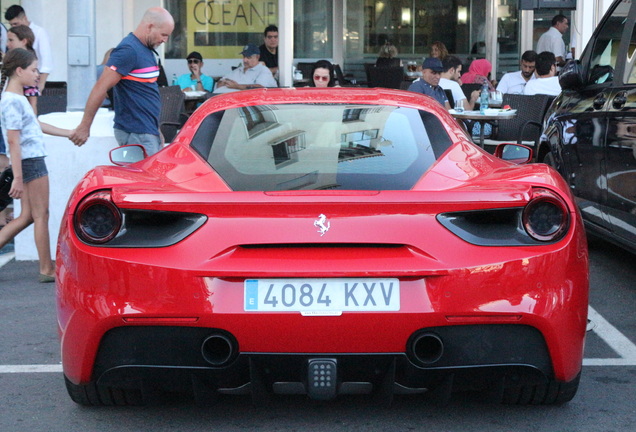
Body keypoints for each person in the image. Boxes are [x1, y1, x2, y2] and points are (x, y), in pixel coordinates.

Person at [0, 48, 74, 282]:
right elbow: (13, 140)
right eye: (33, 70)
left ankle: (46, 266)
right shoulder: (13, 101)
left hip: (29, 161)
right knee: (41, 214)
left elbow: (34, 126)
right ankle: (46, 268)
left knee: (28, 216)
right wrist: (19, 179)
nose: (37, 74)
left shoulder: (16, 98)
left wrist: (68, 133)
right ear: (19, 70)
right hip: (31, 162)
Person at [69, 7, 175, 156]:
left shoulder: (147, 49)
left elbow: (147, 93)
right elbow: (101, 87)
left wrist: (155, 130)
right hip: (137, 133)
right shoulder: (128, 50)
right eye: (164, 34)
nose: (165, 40)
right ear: (150, 27)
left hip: (146, 131)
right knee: (143, 179)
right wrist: (84, 126)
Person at [5, 5, 53, 91]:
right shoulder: (12, 34)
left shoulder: (39, 33)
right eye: (11, 24)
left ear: (24, 18)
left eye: (16, 23)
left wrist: (41, 84)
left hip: (34, 80)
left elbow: (46, 61)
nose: (14, 27)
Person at [6, 25, 40, 113]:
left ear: (24, 41)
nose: (7, 44)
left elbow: (32, 102)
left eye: (11, 40)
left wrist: (33, 122)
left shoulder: (28, 66)